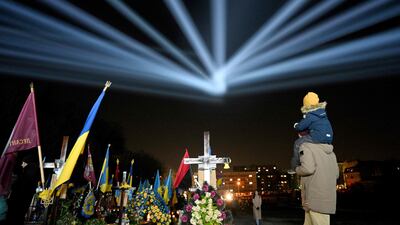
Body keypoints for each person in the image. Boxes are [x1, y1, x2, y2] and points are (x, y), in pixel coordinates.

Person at [289, 92, 333, 173]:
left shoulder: (311, 115)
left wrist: (296, 125)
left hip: (318, 136)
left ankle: (295, 166)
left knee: (297, 143)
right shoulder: (322, 113)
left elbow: (301, 127)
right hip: (329, 137)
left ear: (306, 105)